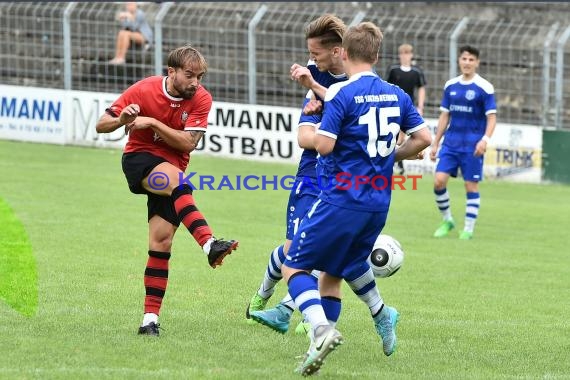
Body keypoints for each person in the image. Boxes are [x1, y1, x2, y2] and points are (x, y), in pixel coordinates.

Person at [281, 22, 432, 376]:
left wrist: (319, 120)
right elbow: (423, 137)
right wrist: (392, 156)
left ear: (344, 54)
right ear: (377, 56)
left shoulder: (343, 95)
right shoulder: (397, 93)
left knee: (294, 266)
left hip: (340, 198)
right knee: (333, 273)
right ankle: (323, 345)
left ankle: (320, 329)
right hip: (378, 203)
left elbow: (325, 145)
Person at [246, 16, 398, 353]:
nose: (311, 60)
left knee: (323, 264)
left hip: (348, 187)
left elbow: (376, 134)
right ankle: (278, 304)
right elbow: (304, 137)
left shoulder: (361, 89)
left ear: (339, 51)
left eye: (316, 53)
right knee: (306, 254)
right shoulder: (320, 83)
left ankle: (299, 317)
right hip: (314, 180)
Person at [95, 46, 238, 336]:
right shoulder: (144, 89)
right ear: (171, 72)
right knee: (178, 183)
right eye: (189, 75)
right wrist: (123, 119)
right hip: (140, 160)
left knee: (161, 244)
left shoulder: (201, 98)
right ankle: (209, 244)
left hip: (173, 170)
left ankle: (149, 320)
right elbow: (102, 125)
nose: (195, 82)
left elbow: (188, 143)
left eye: (199, 76)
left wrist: (152, 121)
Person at [429, 45, 497, 240]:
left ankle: (468, 229)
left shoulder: (484, 87)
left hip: (472, 146)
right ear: (459, 60)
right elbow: (444, 116)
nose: (467, 63)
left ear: (477, 62)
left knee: (470, 186)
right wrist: (435, 143)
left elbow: (492, 118)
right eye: (464, 59)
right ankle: (448, 220)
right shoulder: (450, 85)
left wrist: (485, 140)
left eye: (471, 60)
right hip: (451, 144)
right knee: (439, 181)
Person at [385, 43, 427, 175]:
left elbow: (421, 88)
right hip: (393, 108)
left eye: (407, 53)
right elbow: (386, 85)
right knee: (397, 138)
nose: (405, 56)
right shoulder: (393, 69)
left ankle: (398, 162)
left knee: (403, 138)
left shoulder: (416, 71)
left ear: (411, 55)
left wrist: (420, 106)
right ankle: (397, 163)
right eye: (402, 53)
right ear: (399, 55)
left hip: (408, 108)